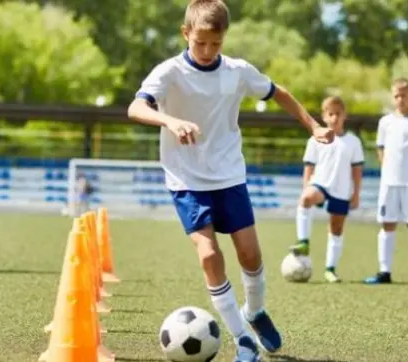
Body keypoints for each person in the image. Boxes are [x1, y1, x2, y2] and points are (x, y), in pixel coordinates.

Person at [126, 0, 334, 360]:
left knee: (250, 255)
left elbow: (278, 92)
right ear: (186, 33)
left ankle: (254, 310)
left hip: (229, 176)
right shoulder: (170, 72)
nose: (207, 51)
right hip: (186, 180)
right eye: (200, 43)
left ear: (224, 38)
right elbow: (136, 107)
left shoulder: (237, 72)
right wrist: (170, 121)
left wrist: (313, 124)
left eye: (216, 44)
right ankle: (242, 337)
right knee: (209, 254)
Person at [364, 78, 408, 287]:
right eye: (396, 95)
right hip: (389, 183)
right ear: (392, 98)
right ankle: (384, 271)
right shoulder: (385, 122)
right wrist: (387, 171)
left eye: (404, 95)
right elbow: (381, 148)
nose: (400, 99)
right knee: (387, 224)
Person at [289, 96, 364, 283]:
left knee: (336, 228)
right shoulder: (316, 139)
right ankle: (304, 242)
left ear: (344, 116)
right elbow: (309, 165)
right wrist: (306, 186)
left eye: (338, 114)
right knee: (306, 199)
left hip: (342, 189)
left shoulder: (353, 142)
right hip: (320, 183)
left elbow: (357, 170)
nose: (334, 118)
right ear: (324, 116)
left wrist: (356, 194)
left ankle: (330, 269)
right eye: (330, 114)